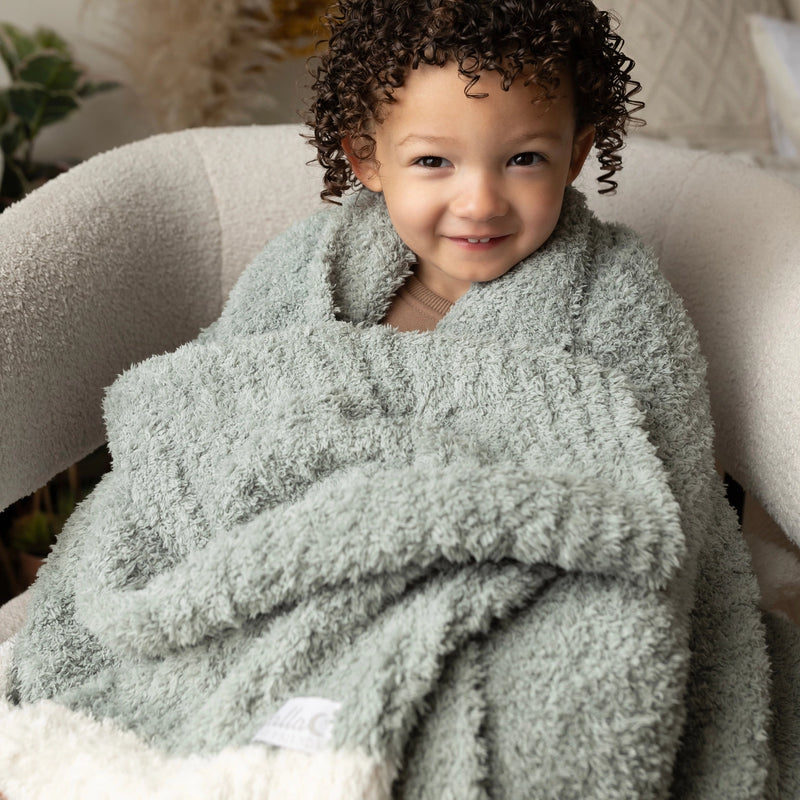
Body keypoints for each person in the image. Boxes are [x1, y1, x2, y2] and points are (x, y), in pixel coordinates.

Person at [4, 1, 796, 798]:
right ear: (368, 157)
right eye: (433, 163)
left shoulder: (615, 295)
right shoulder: (308, 267)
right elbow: (212, 413)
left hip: (509, 582)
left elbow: (662, 494)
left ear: (577, 153)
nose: (481, 200)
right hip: (299, 568)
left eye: (524, 158)